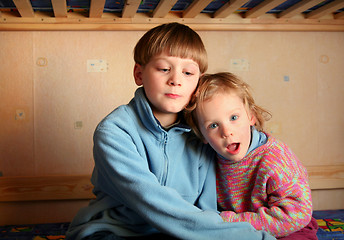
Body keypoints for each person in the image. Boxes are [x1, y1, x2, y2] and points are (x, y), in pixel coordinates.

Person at [66, 23, 275, 240]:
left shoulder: (202, 132)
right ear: (139, 74)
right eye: (164, 69)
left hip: (179, 233)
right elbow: (152, 202)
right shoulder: (114, 132)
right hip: (115, 232)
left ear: (198, 82)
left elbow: (206, 208)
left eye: (188, 72)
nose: (176, 80)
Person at [185, 72, 318, 239]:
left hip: (288, 226)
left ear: (251, 116)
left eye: (234, 117)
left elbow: (297, 214)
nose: (227, 132)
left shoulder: (275, 158)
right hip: (237, 229)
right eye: (213, 125)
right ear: (202, 135)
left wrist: (228, 221)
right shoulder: (206, 159)